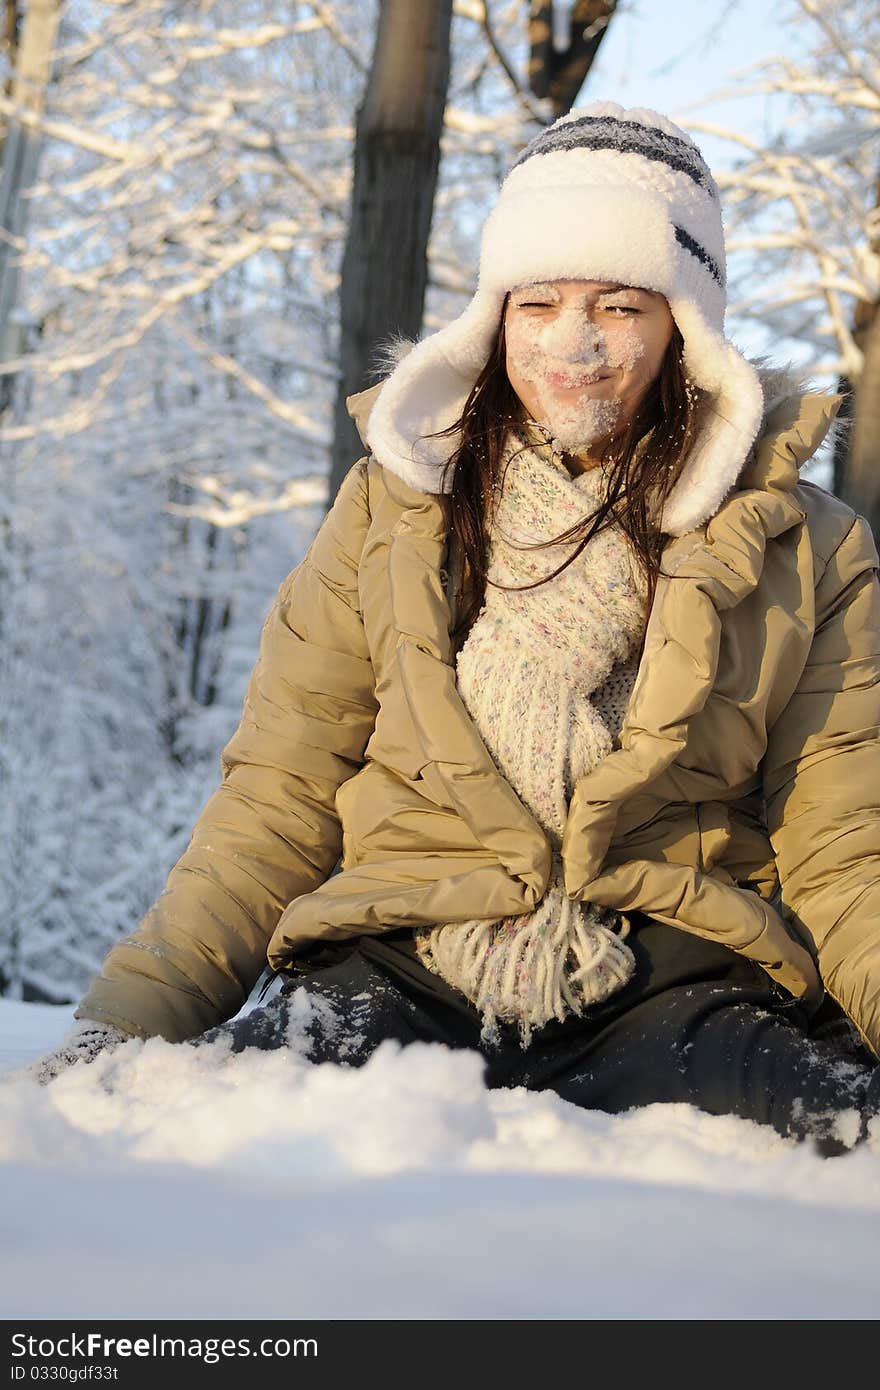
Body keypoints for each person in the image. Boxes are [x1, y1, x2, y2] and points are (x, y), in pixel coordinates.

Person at [26, 102, 880, 1157]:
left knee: (845, 1129)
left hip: (676, 970)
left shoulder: (806, 548)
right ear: (493, 316)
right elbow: (279, 796)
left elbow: (847, 847)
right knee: (189, 1128)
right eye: (538, 303)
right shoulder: (388, 513)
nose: (574, 344)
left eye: (617, 304)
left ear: (683, 328)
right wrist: (129, 1020)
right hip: (399, 957)